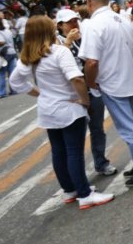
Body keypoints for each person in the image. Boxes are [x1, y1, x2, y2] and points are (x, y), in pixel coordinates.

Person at [10, 16, 114, 209]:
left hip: (48, 109)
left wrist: (40, 93)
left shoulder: (28, 57)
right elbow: (77, 80)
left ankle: (70, 190)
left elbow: (15, 82)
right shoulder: (59, 52)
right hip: (68, 108)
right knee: (74, 152)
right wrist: (84, 101)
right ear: (47, 31)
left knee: (59, 151)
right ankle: (84, 194)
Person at [79, 0, 133, 187]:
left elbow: (91, 62)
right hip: (129, 79)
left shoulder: (92, 25)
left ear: (90, 2)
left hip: (111, 82)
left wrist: (91, 83)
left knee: (128, 128)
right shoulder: (123, 20)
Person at [55, 9, 116, 176]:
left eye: (75, 20)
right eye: (69, 22)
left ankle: (101, 162)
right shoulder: (56, 42)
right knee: (76, 136)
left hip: (91, 89)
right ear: (60, 25)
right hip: (72, 95)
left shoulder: (85, 37)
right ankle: (77, 173)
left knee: (97, 129)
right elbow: (57, 64)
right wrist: (68, 42)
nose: (74, 24)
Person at [0, 17, 16, 99]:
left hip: (4, 54)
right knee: (12, 73)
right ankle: (14, 89)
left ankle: (1, 93)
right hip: (12, 52)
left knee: (1, 74)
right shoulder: (7, 31)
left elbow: (1, 42)